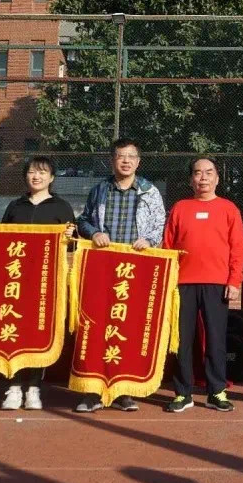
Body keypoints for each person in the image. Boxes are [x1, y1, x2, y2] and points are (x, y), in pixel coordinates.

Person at [74, 137, 166, 413]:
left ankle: (124, 391)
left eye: (131, 156)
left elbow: (160, 224)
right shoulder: (100, 190)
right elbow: (83, 220)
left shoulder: (150, 191)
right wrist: (94, 233)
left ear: (138, 161)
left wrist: (149, 240)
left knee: (129, 328)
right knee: (97, 327)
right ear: (112, 160)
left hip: (136, 270)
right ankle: (93, 391)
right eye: (120, 156)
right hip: (103, 268)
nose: (126, 161)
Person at [163, 157, 243, 413]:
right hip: (182, 284)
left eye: (209, 173)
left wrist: (234, 280)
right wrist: (168, 281)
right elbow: (168, 246)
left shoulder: (229, 209)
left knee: (216, 339)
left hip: (217, 284)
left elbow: (238, 248)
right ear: (191, 180)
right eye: (198, 173)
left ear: (217, 178)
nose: (203, 178)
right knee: (182, 341)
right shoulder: (180, 208)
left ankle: (216, 391)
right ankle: (183, 393)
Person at [0, 156, 76, 411]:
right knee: (14, 332)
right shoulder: (15, 206)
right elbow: (0, 240)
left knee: (38, 335)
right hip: (16, 282)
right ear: (25, 176)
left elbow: (73, 246)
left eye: (42, 172)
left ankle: (33, 388)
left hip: (45, 284)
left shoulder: (61, 207)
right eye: (32, 172)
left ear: (51, 178)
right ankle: (13, 386)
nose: (36, 176)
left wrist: (70, 236)